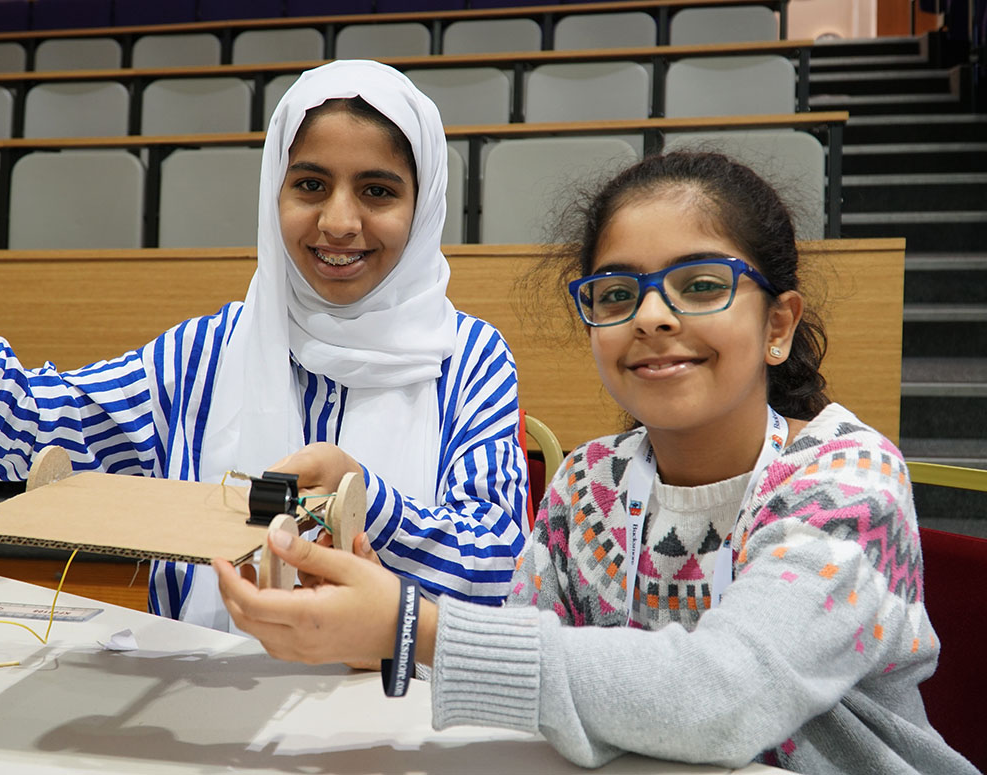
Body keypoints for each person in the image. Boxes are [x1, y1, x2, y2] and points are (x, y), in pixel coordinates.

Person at [214, 151, 977, 774]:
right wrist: (365, 631)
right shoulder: (587, 484)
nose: (650, 314)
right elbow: (524, 674)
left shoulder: (847, 479)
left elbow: (725, 697)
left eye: (701, 284)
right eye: (616, 294)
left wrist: (413, 627)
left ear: (777, 325)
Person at [0, 60, 528, 630]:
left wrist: (364, 502)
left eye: (378, 190)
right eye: (309, 184)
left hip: (393, 711)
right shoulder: (208, 354)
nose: (338, 221)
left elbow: (501, 570)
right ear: (272, 194)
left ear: (426, 201)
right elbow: (16, 431)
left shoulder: (467, 360)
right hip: (209, 706)